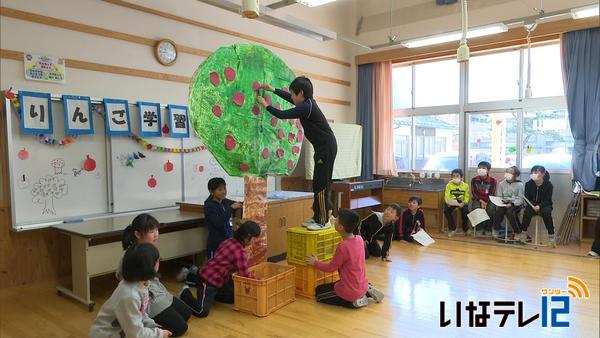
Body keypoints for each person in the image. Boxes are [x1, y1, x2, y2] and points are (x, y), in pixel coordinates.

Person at [257, 76, 337, 230]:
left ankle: (323, 220)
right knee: (318, 183)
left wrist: (266, 105)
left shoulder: (306, 107)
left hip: (326, 148)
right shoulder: (306, 103)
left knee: (321, 184)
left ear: (301, 93)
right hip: (323, 148)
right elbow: (289, 98)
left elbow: (282, 114)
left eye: (293, 93)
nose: (291, 96)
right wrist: (272, 89)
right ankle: (317, 217)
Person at [117, 214, 190, 337]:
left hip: (158, 293)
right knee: (180, 328)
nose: (156, 234)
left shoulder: (148, 248)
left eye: (156, 229)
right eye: (151, 231)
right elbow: (124, 278)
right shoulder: (131, 255)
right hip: (150, 299)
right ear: (138, 234)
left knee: (186, 313)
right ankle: (147, 328)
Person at [178, 221, 261, 317]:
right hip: (208, 280)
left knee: (235, 297)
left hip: (219, 278)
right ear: (247, 236)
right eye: (254, 239)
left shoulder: (229, 241)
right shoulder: (239, 252)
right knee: (201, 312)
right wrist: (260, 280)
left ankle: (210, 293)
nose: (254, 242)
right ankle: (185, 293)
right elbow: (245, 275)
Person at [306, 209, 384, 308]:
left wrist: (315, 262)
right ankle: (365, 291)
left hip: (350, 290)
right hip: (361, 283)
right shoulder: (359, 239)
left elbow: (331, 268)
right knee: (339, 284)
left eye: (337, 219)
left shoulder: (343, 246)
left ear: (340, 227)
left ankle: (354, 301)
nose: (334, 220)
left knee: (319, 293)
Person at [90, 243, 172, 338]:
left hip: (124, 331)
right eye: (158, 260)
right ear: (149, 266)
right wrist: (159, 334)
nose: (159, 262)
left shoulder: (142, 284)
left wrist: (152, 325)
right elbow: (135, 334)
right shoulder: (130, 295)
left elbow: (141, 313)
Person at [204, 177, 243, 259]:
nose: (224, 192)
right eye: (220, 189)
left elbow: (236, 204)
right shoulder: (209, 206)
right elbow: (218, 223)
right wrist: (231, 208)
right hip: (216, 244)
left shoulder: (225, 201)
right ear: (211, 191)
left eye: (224, 188)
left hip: (228, 242)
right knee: (215, 268)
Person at [522, 165, 555, 247]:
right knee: (527, 213)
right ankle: (523, 234)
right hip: (532, 205)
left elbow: (548, 200)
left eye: (536, 172)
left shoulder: (549, 185)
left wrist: (539, 206)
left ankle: (551, 237)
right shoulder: (528, 184)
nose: (534, 174)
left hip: (545, 205)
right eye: (532, 172)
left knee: (546, 213)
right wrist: (533, 206)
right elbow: (527, 198)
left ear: (543, 174)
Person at [492, 166, 525, 241]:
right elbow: (499, 196)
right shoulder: (501, 184)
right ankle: (496, 229)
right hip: (504, 203)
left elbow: (520, 199)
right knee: (498, 211)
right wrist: (502, 203)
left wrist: (512, 204)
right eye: (507, 172)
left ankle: (517, 232)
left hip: (516, 204)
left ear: (515, 175)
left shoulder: (520, 185)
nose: (507, 174)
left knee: (510, 212)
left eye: (510, 173)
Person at [470, 161, 497, 235]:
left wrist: (486, 202)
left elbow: (492, 193)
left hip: (489, 200)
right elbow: (474, 192)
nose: (481, 169)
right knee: (476, 208)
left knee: (491, 210)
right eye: (479, 168)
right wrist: (481, 201)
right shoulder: (474, 180)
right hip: (478, 199)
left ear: (488, 170)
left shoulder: (493, 181)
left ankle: (488, 229)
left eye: (483, 168)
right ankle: (479, 228)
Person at [444, 169, 471, 237]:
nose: (455, 178)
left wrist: (464, 203)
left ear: (461, 177)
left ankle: (465, 229)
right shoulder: (448, 185)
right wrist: (448, 202)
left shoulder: (466, 186)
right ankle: (452, 229)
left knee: (465, 211)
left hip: (461, 202)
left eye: (457, 176)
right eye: (453, 176)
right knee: (446, 210)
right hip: (451, 201)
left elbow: (467, 197)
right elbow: (447, 196)